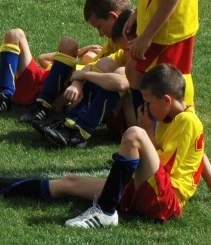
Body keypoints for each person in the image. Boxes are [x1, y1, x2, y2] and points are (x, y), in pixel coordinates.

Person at [0, 65, 211, 228]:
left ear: (166, 100)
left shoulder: (186, 121)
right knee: (69, 182)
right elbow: (201, 156)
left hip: (165, 200)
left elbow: (159, 166)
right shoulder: (172, 118)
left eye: (149, 102)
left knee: (135, 134)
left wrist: (147, 133)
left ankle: (105, 212)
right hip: (147, 191)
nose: (146, 107)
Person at [0, 0, 133, 124]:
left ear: (113, 17)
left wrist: (73, 87)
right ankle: (5, 96)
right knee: (14, 34)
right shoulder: (112, 43)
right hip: (44, 79)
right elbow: (44, 59)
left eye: (99, 27)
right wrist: (79, 54)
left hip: (62, 88)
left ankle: (43, 105)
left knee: (68, 43)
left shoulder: (126, 47)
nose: (100, 34)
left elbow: (98, 75)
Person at [35, 9, 136, 149]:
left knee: (118, 75)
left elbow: (120, 83)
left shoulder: (152, 59)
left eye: (127, 49)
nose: (125, 53)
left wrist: (85, 76)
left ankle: (81, 134)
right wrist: (77, 83)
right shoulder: (125, 53)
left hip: (138, 127)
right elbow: (90, 66)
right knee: (105, 63)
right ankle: (70, 124)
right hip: (120, 115)